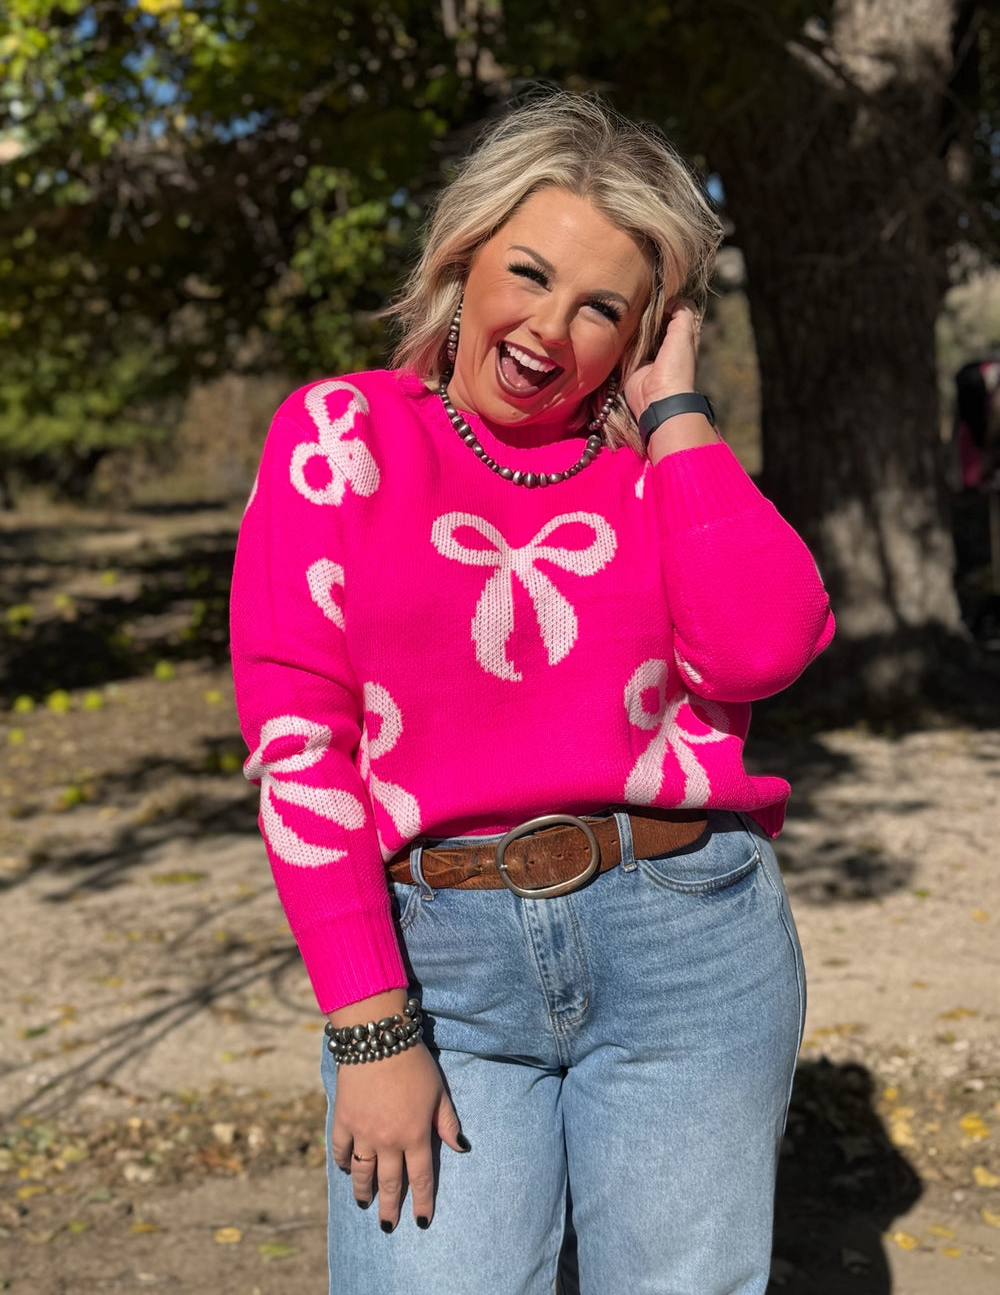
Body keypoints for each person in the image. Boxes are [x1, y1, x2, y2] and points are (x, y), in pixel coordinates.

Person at [229, 93, 835, 1295]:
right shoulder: (342, 436)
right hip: (437, 962)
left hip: (688, 942)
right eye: (529, 273)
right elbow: (301, 751)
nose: (549, 330)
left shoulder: (660, 471)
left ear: (642, 331)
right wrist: (371, 1025)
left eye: (602, 306)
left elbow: (762, 650)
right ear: (464, 256)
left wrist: (675, 412)